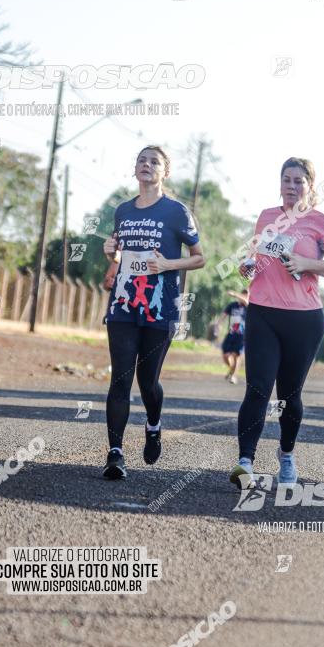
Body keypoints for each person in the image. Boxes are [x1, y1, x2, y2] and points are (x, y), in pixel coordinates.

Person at [229, 157, 324, 488]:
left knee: (289, 396)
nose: (292, 186)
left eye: (299, 181)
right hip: (263, 311)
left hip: (304, 319)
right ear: (279, 182)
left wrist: (306, 263)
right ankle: (245, 463)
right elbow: (257, 259)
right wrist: (248, 268)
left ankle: (286, 455)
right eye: (286, 180)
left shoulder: (321, 222)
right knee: (257, 388)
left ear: (310, 186)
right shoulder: (267, 217)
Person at [101, 145, 205, 479]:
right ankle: (115, 454)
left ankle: (153, 424)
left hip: (160, 307)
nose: (147, 165)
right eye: (142, 160)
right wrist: (110, 253)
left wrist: (167, 264)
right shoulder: (122, 211)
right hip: (123, 304)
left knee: (148, 382)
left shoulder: (177, 212)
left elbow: (199, 257)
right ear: (135, 169)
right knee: (120, 377)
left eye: (154, 162)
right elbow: (120, 253)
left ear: (165, 172)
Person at [218, 289, 249, 384]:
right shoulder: (232, 305)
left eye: (246, 295)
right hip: (231, 333)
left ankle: (234, 376)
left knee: (237, 355)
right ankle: (231, 370)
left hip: (242, 335)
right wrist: (218, 324)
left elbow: (246, 302)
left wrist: (235, 294)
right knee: (225, 355)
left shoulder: (249, 306)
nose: (244, 297)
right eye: (243, 295)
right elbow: (224, 315)